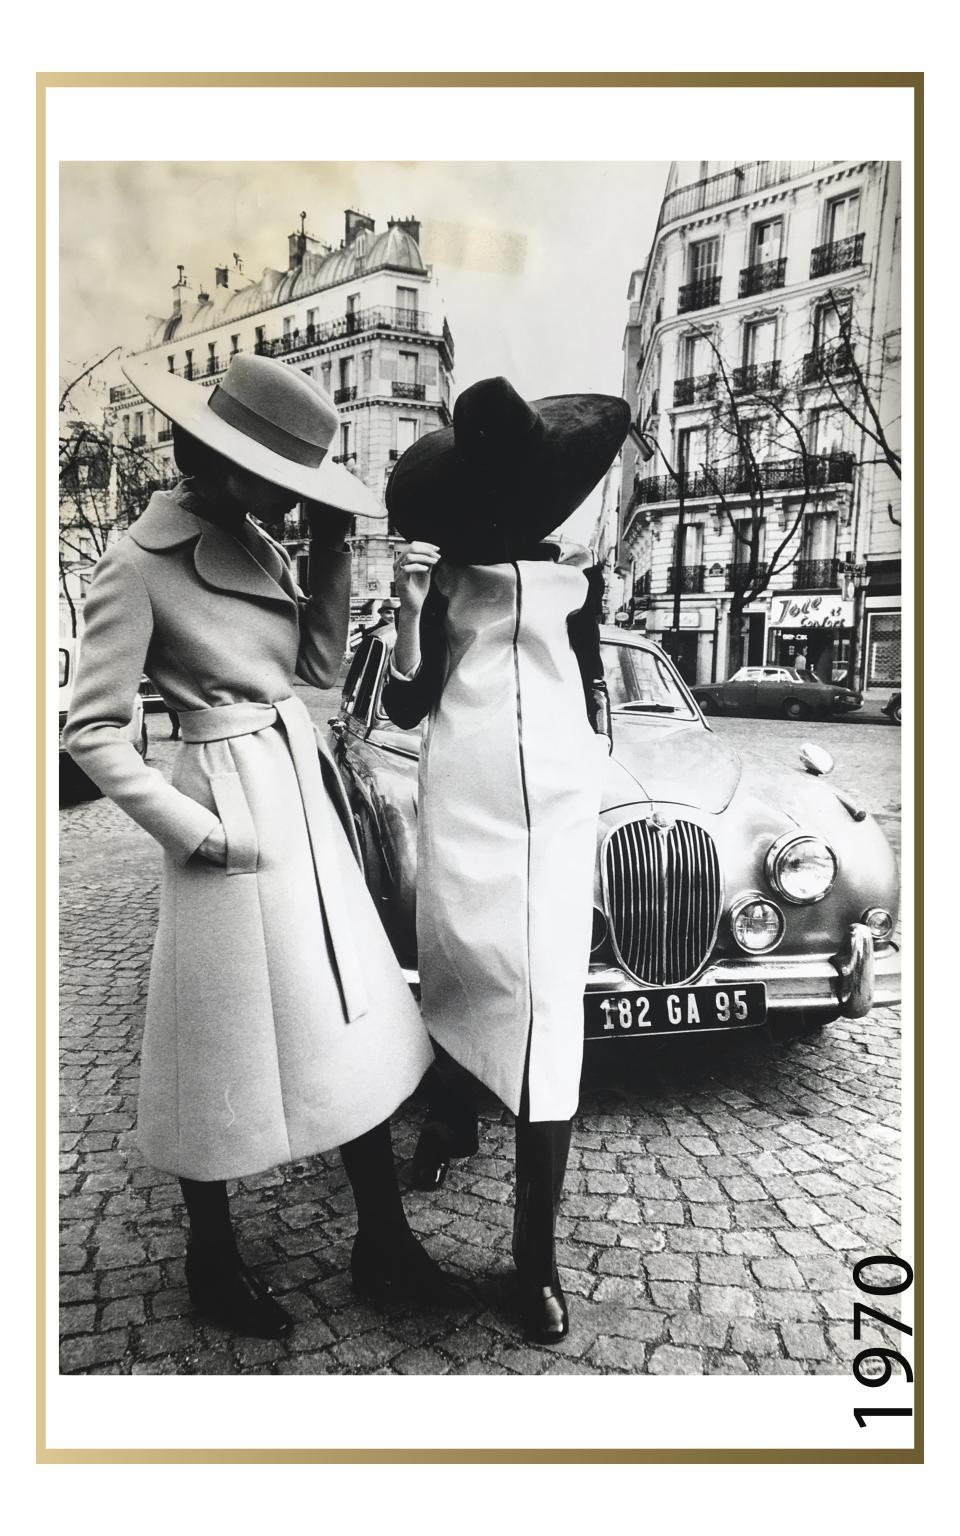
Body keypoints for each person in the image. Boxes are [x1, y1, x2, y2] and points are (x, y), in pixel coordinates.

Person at [64, 353, 467, 1342]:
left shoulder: (262, 542)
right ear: (210, 454)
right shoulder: (137, 560)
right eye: (273, 476)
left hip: (300, 798)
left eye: (301, 487)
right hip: (228, 820)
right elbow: (91, 731)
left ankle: (383, 1237)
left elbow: (315, 673)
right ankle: (212, 1258)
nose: (290, 499)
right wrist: (198, 831)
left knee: (348, 1005)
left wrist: (330, 550)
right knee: (215, 1043)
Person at [381, 376, 629, 1343]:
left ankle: (535, 1262)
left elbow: (593, 687)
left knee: (549, 1011)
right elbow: (407, 706)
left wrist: (598, 764)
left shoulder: (579, 586)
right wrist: (408, 611)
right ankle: (450, 1112)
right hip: (470, 806)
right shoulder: (445, 589)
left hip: (559, 814)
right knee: (462, 967)